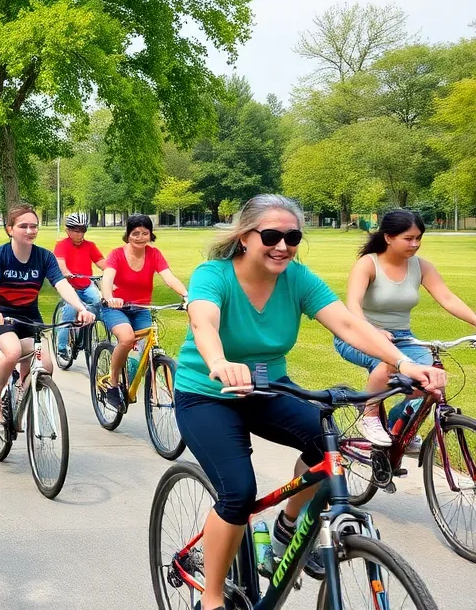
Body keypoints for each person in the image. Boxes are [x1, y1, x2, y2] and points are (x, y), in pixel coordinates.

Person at [175, 195, 446, 610]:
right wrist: (220, 362)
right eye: (271, 236)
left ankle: (287, 526)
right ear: (245, 237)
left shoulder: (297, 279)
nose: (282, 245)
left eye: (292, 237)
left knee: (328, 448)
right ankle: (212, 599)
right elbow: (204, 320)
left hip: (269, 389)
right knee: (238, 493)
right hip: (209, 394)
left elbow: (348, 323)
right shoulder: (213, 275)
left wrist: (405, 363)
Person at [338, 209, 476, 448]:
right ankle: (369, 416)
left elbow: (447, 298)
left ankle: (398, 428)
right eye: (408, 238)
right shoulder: (368, 264)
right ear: (388, 237)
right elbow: (353, 306)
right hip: (357, 334)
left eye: (418, 238)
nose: (415, 244)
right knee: (390, 360)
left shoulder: (421, 266)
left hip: (403, 338)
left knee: (431, 379)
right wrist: (372, 331)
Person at [0, 204, 95, 432]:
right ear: (10, 229)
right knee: (13, 351)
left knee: (46, 366)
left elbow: (62, 284)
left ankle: (22, 393)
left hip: (29, 314)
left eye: (34, 226)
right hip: (1, 314)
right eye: (23, 226)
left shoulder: (44, 257)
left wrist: (80, 307)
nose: (30, 231)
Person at [98, 215, 188, 410]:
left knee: (146, 346)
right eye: (135, 233)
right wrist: (109, 296)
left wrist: (187, 296)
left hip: (141, 309)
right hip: (116, 308)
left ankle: (144, 382)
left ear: (150, 234)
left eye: (145, 233)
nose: (140, 237)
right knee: (127, 338)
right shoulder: (117, 254)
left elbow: (169, 278)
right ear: (128, 235)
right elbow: (107, 279)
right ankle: (113, 383)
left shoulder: (154, 254)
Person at [52, 212, 105, 358]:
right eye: (76, 230)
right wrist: (67, 273)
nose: (80, 234)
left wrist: (112, 271)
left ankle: (95, 337)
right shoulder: (62, 245)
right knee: (68, 316)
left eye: (83, 230)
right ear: (68, 230)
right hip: (69, 287)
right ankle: (61, 348)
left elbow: (102, 263)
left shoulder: (90, 246)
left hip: (86, 285)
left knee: (101, 307)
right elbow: (60, 264)